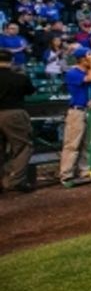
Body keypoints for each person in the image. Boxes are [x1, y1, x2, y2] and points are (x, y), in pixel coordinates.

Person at [59, 47, 91, 184]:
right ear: (82, 59)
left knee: (89, 143)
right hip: (77, 111)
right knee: (72, 144)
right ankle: (66, 174)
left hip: (90, 111)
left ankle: (84, 171)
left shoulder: (89, 71)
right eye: (89, 57)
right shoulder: (73, 72)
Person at [0, 49, 35, 193]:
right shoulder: (19, 77)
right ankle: (15, 180)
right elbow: (30, 90)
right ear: (11, 61)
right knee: (23, 147)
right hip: (14, 112)